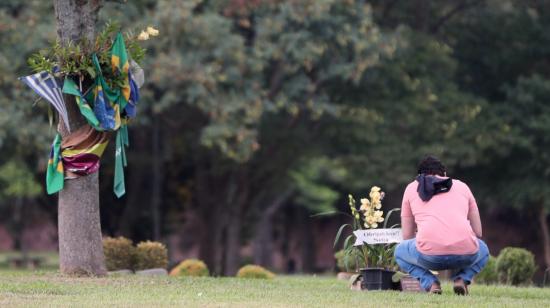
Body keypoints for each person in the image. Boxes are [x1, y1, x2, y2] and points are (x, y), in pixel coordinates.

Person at [394, 155, 489, 295]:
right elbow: (478, 232)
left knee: (399, 252)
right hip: (466, 254)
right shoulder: (462, 186)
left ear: (419, 176)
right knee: (484, 249)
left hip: (429, 256)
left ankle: (431, 283)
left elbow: (407, 236)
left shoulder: (411, 188)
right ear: (444, 175)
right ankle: (462, 280)